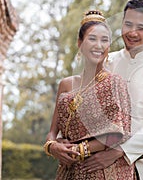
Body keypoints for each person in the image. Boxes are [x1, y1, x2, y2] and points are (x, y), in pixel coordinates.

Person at [82, 0, 143, 180]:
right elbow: (80, 104)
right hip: (99, 166)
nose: (133, 32)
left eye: (141, 28)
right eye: (128, 24)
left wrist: (119, 151)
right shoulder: (105, 61)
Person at [44, 10, 136, 179]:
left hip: (104, 171)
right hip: (69, 170)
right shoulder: (66, 84)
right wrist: (52, 146)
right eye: (92, 39)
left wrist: (80, 149)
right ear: (80, 43)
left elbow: (118, 133)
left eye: (104, 40)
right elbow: (52, 132)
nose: (98, 45)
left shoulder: (115, 82)